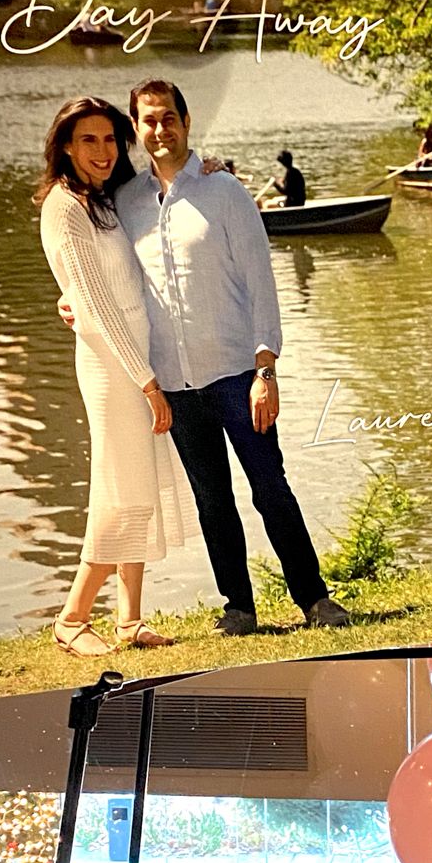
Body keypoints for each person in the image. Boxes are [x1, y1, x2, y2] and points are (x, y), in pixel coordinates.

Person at [113, 79, 349, 638]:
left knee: (271, 487)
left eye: (168, 117)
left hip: (238, 375)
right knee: (212, 501)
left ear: (186, 120)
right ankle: (239, 608)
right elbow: (101, 266)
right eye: (148, 120)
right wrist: (69, 298)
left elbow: (262, 287)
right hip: (175, 382)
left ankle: (314, 598)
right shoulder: (126, 203)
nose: (159, 129)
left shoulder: (226, 193)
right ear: (137, 130)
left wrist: (266, 369)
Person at [37, 96, 187, 657]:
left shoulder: (101, 200)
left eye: (108, 140)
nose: (102, 152)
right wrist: (148, 383)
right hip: (113, 366)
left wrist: (211, 167)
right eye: (88, 141)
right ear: (66, 148)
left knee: (139, 487)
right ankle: (73, 618)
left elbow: (113, 281)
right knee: (120, 491)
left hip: (134, 357)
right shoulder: (64, 207)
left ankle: (128, 620)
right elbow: (95, 305)